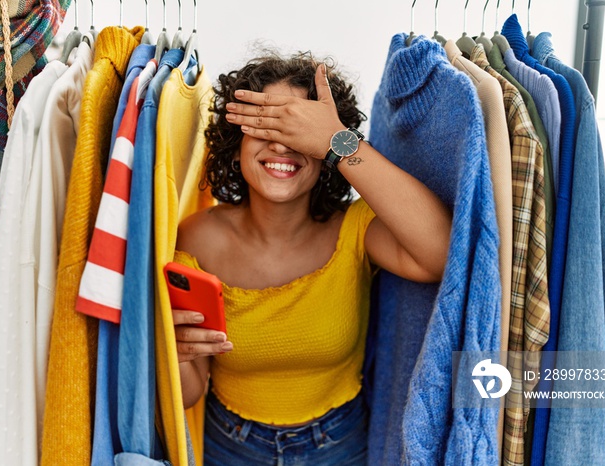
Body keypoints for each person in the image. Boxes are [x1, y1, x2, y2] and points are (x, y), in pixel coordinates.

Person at [172, 51, 452, 465]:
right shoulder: (194, 240)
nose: (282, 143)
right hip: (228, 445)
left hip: (339, 444)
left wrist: (339, 140)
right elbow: (189, 391)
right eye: (265, 125)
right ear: (235, 146)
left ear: (324, 158)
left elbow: (442, 253)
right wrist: (173, 351)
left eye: (299, 129)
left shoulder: (355, 230)